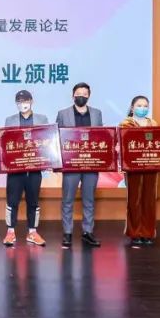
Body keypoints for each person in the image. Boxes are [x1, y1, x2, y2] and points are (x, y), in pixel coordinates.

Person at [55, 82, 104, 248]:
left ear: (89, 96)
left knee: (89, 199)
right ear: (73, 95)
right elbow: (56, 137)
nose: (81, 96)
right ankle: (67, 233)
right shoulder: (63, 114)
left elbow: (101, 137)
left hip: (91, 163)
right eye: (78, 93)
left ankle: (87, 232)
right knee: (67, 199)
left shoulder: (97, 113)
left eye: (84, 93)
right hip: (71, 164)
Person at [3, 89, 49, 247]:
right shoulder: (9, 120)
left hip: (34, 169)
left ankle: (32, 232)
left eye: (26, 101)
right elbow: (6, 142)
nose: (23, 104)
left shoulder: (42, 119)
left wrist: (49, 161)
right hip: (15, 170)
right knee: (12, 201)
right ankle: (10, 232)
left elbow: (47, 141)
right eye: (20, 101)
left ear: (31, 101)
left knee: (33, 201)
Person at [119, 96, 159, 247]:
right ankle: (135, 233)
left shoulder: (153, 124)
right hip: (132, 166)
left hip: (150, 165)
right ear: (132, 108)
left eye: (145, 106)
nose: (143, 108)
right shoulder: (125, 124)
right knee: (134, 200)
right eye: (139, 105)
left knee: (149, 200)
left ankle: (148, 232)